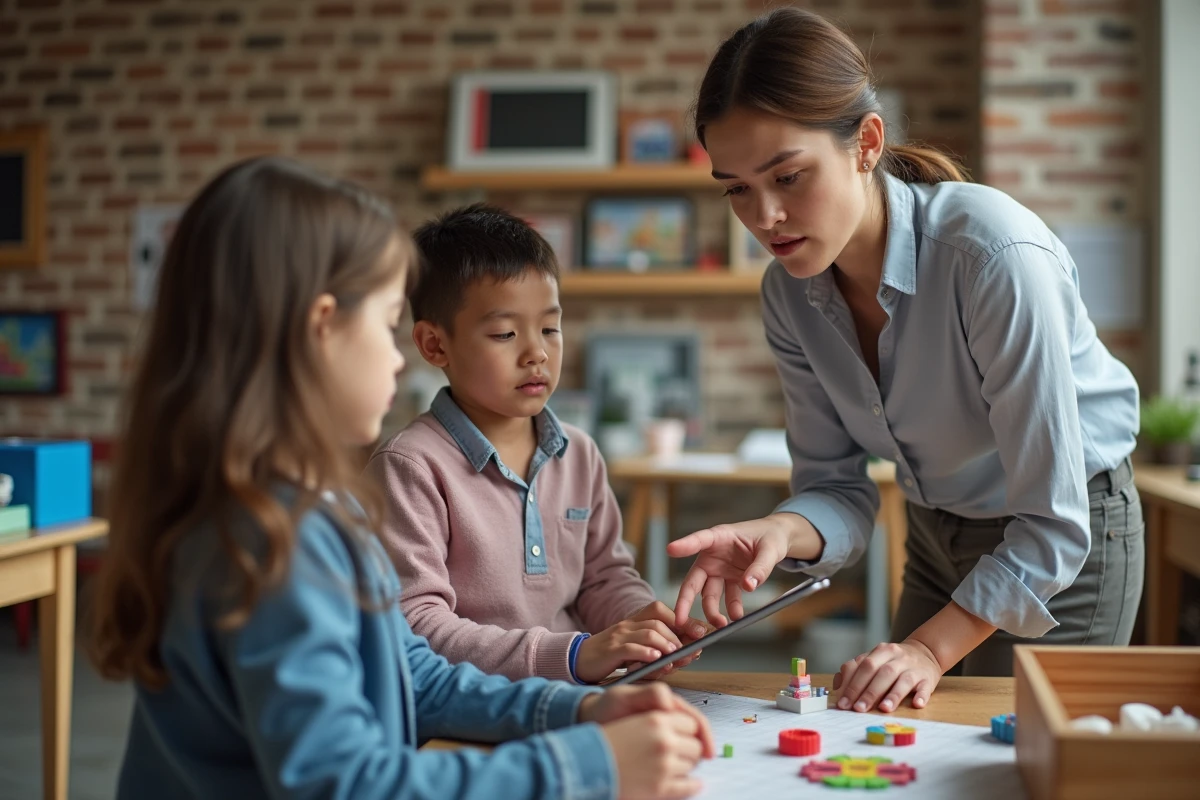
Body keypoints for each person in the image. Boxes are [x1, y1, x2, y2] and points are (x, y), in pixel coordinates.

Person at [89, 158, 713, 799]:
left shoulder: (316, 505)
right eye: (387, 324)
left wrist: (575, 712)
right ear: (322, 328)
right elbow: (347, 784)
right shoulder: (274, 541)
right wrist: (588, 767)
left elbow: (412, 671)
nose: (397, 357)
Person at [667, 7, 1142, 714]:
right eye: (737, 187)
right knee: (892, 739)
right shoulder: (789, 294)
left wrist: (927, 648)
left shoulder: (993, 256)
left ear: (866, 143)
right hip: (934, 533)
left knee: (1027, 762)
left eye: (789, 177)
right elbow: (839, 486)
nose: (763, 217)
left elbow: (1053, 516)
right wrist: (780, 530)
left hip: (1067, 541)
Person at [366, 204, 706, 684]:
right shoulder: (410, 466)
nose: (537, 353)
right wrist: (568, 655)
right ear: (435, 345)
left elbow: (602, 578)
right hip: (473, 711)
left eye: (550, 328)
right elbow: (413, 627)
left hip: (579, 695)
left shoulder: (580, 453)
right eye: (505, 333)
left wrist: (644, 625)